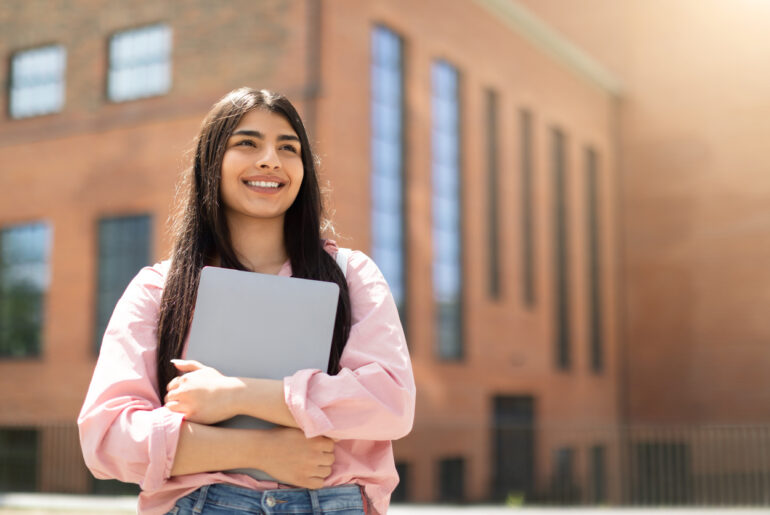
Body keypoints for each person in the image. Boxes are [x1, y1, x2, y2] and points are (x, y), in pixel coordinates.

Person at [77, 87, 415, 515]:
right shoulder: (158, 288)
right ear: (210, 163)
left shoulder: (352, 275)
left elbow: (390, 404)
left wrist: (235, 396)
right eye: (247, 143)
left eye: (288, 148)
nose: (270, 159)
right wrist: (258, 449)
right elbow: (105, 438)